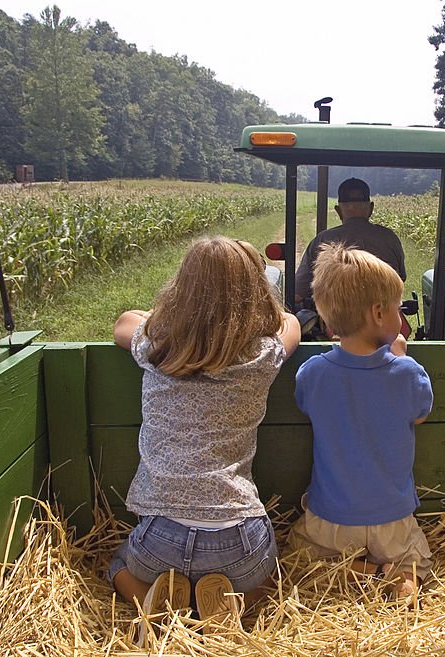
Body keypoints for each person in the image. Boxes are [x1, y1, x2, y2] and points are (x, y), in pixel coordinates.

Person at [109, 236, 300, 631]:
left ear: (182, 290)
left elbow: (124, 322)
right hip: (238, 540)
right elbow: (291, 323)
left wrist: (174, 320)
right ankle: (228, 605)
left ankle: (150, 599)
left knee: (116, 563)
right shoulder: (262, 355)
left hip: (159, 538)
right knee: (269, 579)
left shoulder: (157, 346)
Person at [288, 243, 433, 601]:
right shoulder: (407, 373)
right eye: (398, 309)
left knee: (299, 553)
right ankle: (400, 578)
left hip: (331, 519)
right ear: (379, 313)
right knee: (415, 561)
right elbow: (421, 414)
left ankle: (363, 573)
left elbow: (307, 404)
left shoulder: (314, 373)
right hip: (392, 519)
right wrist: (400, 358)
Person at [294, 178, 406, 304]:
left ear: (338, 211)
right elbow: (401, 277)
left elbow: (299, 292)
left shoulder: (322, 240)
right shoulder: (389, 238)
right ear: (371, 209)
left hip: (335, 318)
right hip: (383, 315)